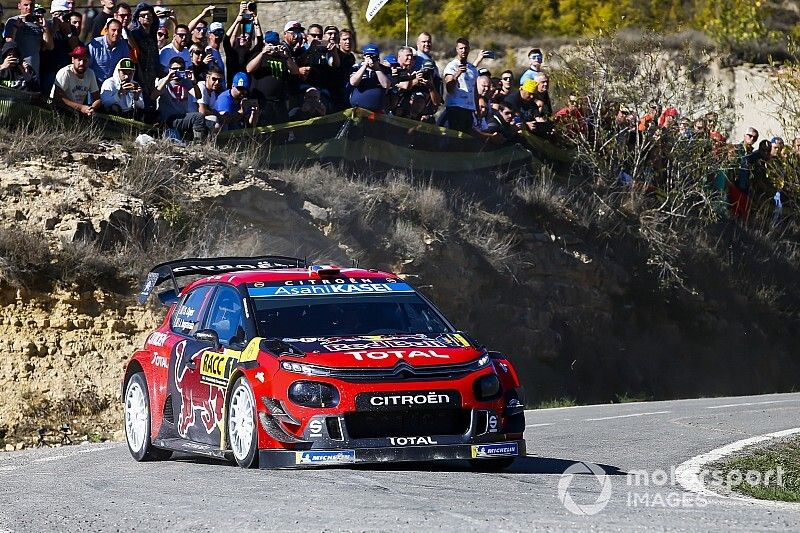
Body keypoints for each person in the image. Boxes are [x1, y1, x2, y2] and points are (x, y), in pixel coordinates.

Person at [153, 56, 210, 140]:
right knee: (198, 117)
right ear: (169, 69)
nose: (178, 71)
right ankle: (199, 144)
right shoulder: (164, 81)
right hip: (169, 118)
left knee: (208, 124)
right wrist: (167, 79)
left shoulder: (186, 82)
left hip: (182, 117)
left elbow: (198, 96)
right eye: (174, 69)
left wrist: (194, 82)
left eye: (181, 69)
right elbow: (153, 96)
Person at [246, 30, 296, 124]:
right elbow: (249, 69)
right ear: (265, 43)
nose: (272, 46)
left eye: (275, 44)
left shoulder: (282, 57)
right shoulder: (258, 56)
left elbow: (295, 72)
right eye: (270, 44)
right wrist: (263, 53)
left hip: (279, 101)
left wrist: (286, 57)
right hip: (262, 101)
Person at [3, 0, 53, 76]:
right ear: (19, 6)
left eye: (31, 5)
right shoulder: (12, 21)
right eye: (25, 5)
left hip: (35, 69)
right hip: (18, 69)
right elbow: (8, 43)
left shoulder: (38, 22)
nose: (29, 8)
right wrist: (16, 27)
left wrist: (45, 28)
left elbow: (49, 47)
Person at [52, 44, 101, 116]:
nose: (82, 63)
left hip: (77, 110)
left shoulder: (90, 73)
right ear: (73, 60)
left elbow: (97, 98)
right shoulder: (65, 73)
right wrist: (81, 108)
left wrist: (91, 108)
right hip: (59, 108)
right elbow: (58, 97)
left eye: (85, 60)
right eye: (79, 60)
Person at [442, 37, 478, 133]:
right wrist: (457, 74)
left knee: (468, 134)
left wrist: (477, 107)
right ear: (457, 49)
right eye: (461, 48)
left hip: (469, 108)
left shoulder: (473, 69)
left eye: (466, 48)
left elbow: (475, 90)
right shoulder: (451, 66)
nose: (463, 51)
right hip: (456, 107)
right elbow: (449, 88)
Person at [129, 3, 159, 105]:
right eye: (143, 15)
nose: (147, 17)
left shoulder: (153, 36)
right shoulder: (133, 34)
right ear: (138, 18)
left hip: (151, 79)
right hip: (138, 78)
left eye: (150, 15)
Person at [349, 42, 391, 112]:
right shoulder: (356, 67)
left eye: (373, 56)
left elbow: (386, 85)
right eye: (368, 56)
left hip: (377, 111)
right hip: (358, 110)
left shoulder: (385, 69)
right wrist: (364, 66)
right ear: (364, 56)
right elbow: (353, 82)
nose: (371, 58)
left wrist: (377, 69)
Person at [88, 18, 129, 85]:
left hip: (115, 85)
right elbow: (87, 67)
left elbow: (126, 67)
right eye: (113, 30)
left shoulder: (123, 45)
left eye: (119, 31)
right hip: (95, 85)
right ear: (106, 30)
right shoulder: (95, 44)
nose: (116, 33)